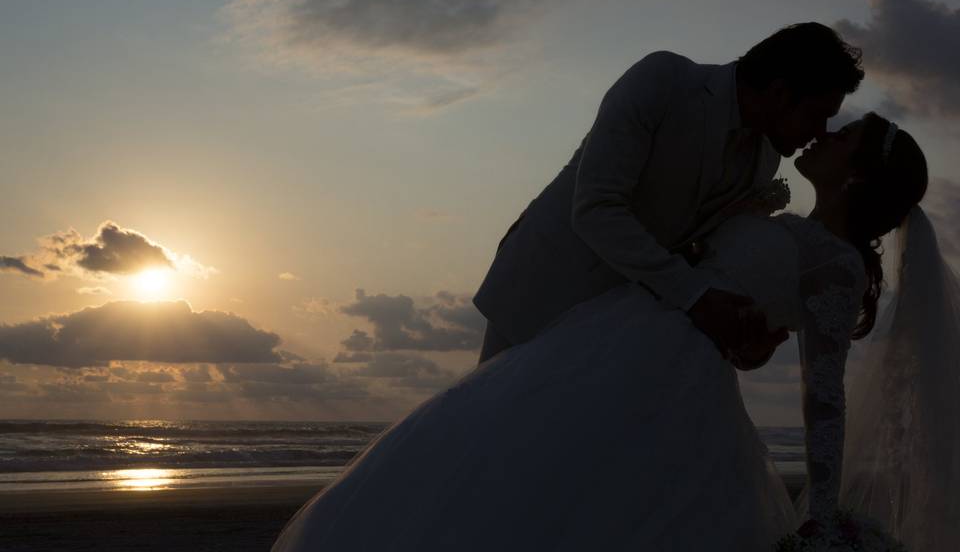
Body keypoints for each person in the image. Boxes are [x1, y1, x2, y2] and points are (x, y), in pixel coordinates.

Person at [270, 113, 929, 551]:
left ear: (859, 173)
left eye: (845, 137)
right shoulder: (778, 218)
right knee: (516, 475)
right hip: (608, 337)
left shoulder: (837, 266)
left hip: (674, 388)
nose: (827, 133)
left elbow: (825, 394)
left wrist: (820, 511)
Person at [473, 23, 864, 369]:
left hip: (615, 331)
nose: (821, 131)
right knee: (492, 439)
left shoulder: (765, 161)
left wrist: (746, 341)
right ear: (780, 93)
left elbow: (702, 255)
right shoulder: (664, 82)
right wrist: (698, 299)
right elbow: (597, 209)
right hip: (539, 292)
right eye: (817, 114)